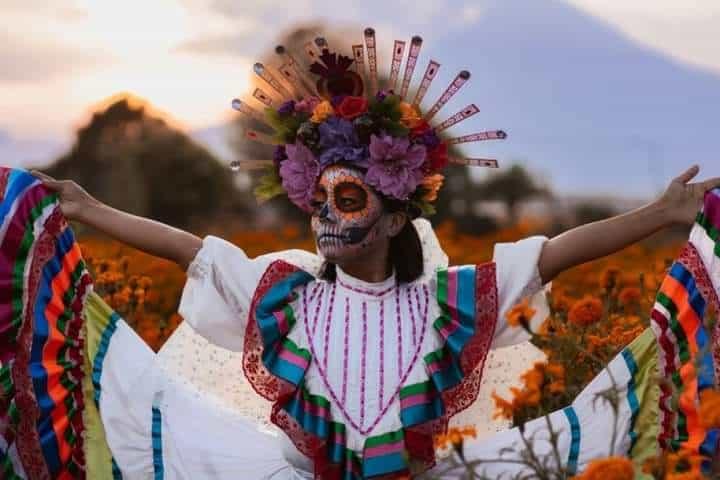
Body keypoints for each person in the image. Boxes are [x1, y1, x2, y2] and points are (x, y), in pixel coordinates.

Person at [6, 28, 720, 479]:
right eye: (317, 201)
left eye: (346, 202)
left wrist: (660, 213)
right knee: (145, 412)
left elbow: (553, 256)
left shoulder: (448, 303)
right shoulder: (286, 292)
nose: (324, 216)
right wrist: (90, 209)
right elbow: (193, 252)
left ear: (395, 213)